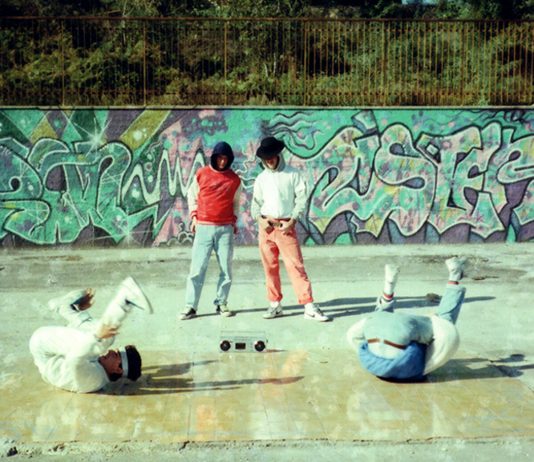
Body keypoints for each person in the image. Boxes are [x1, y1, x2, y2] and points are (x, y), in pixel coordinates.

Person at [346, 257, 467, 381]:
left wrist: (436, 321)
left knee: (443, 320)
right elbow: (352, 336)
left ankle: (454, 276)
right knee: (443, 319)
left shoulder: (411, 368)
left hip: (391, 338)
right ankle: (389, 286)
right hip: (377, 335)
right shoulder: (407, 368)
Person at [251, 136, 330, 322]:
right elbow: (255, 203)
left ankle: (308, 306)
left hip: (285, 226)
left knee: (296, 266)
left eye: (272, 156)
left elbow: (301, 199)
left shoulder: (293, 174)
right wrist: (259, 220)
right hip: (266, 227)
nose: (269, 160)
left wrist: (293, 220)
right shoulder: (261, 178)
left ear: (278, 155)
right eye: (266, 157)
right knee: (269, 268)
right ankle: (274, 304)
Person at [29, 277, 153, 393]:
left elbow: (74, 358)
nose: (110, 352)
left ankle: (125, 299)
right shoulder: (100, 372)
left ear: (118, 369)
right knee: (103, 338)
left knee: (103, 339)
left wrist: (96, 336)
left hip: (43, 348)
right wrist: (82, 314)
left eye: (115, 355)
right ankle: (68, 309)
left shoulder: (94, 380)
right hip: (54, 351)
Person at [180, 141, 242, 320]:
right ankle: (190, 306)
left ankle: (221, 303)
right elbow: (192, 195)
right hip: (204, 227)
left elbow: (236, 203)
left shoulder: (235, 180)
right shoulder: (202, 174)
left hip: (225, 230)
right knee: (197, 269)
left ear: (229, 159)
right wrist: (194, 218)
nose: (222, 162)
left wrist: (233, 221)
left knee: (226, 269)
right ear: (214, 157)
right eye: (219, 158)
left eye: (225, 159)